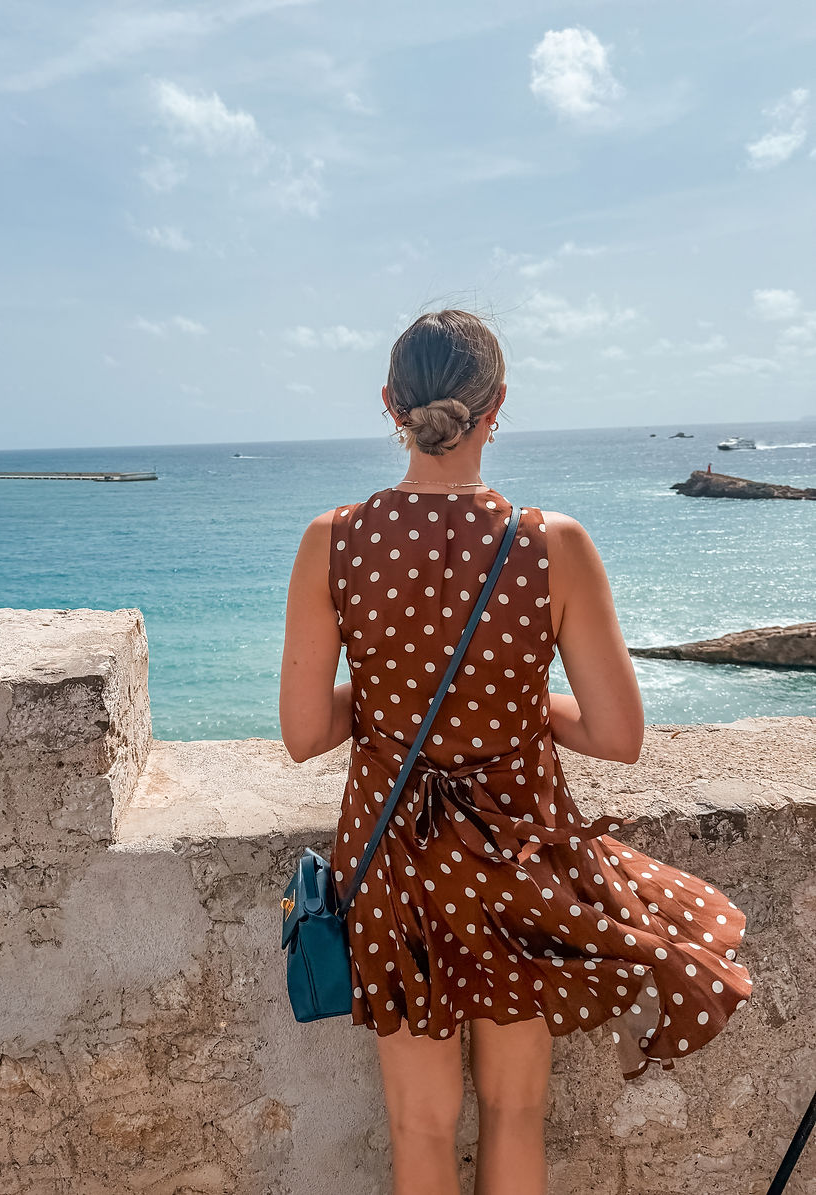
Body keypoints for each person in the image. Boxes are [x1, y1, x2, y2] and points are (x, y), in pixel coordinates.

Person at [279, 310, 752, 1195]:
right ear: (497, 407)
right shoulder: (552, 544)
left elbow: (306, 733)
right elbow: (617, 736)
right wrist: (517, 696)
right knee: (516, 1112)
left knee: (419, 1127)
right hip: (517, 856)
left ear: (390, 405)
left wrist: (391, 697)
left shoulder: (333, 541)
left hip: (401, 870)